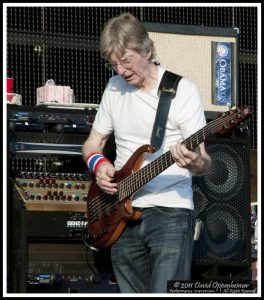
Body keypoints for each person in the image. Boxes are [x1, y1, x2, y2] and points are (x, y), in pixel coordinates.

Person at [82, 12, 212, 293]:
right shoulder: (114, 87)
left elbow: (204, 161)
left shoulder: (183, 91)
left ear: (148, 51)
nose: (120, 71)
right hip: (119, 212)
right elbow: (93, 143)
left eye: (126, 60)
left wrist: (195, 162)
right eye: (113, 64)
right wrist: (100, 164)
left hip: (171, 211)